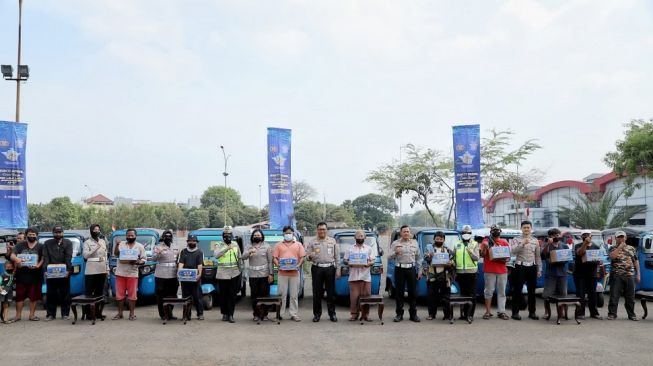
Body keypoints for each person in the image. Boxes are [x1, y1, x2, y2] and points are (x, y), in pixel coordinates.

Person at [306, 222, 340, 322]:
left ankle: (332, 314)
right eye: (320, 229)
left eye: (324, 229)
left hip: (330, 268)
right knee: (317, 293)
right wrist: (310, 256)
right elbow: (307, 256)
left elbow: (337, 257)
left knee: (331, 293)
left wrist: (338, 269)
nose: (322, 231)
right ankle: (317, 314)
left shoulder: (333, 241)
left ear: (326, 230)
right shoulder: (312, 242)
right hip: (317, 268)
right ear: (317, 230)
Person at [389, 225, 422, 322]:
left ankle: (413, 314)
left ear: (410, 232)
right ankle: (399, 314)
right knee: (399, 292)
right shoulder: (395, 243)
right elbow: (389, 256)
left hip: (411, 269)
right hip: (400, 269)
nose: (406, 233)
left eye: (408, 231)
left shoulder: (415, 243)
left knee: (413, 293)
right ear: (401, 233)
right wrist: (395, 252)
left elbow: (419, 258)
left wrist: (419, 270)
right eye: (404, 232)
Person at [272, 226, 305, 322]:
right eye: (286, 233)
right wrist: (279, 266)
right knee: (281, 295)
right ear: (283, 234)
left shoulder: (298, 245)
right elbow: (274, 258)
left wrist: (298, 265)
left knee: (294, 295)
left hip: (294, 273)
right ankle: (280, 314)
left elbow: (302, 257)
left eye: (290, 233)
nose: (288, 234)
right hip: (282, 273)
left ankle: (293, 314)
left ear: (293, 234)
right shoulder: (278, 245)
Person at [9, 227, 43, 322]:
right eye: (30, 234)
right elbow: (12, 255)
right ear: (26, 235)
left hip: (35, 275)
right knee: (19, 296)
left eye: (33, 234)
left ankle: (32, 315)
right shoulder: (20, 245)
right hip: (21, 275)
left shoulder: (41, 246)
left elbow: (43, 258)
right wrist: (17, 260)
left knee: (34, 297)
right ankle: (18, 316)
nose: (32, 236)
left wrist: (38, 266)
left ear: (36, 235)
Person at [510, 220, 541, 320]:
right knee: (517, 290)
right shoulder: (516, 239)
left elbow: (538, 256)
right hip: (520, 267)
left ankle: (532, 312)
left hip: (532, 267)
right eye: (524, 227)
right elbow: (513, 252)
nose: (526, 229)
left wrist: (539, 269)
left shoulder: (535, 241)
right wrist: (522, 243)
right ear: (521, 229)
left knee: (532, 291)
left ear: (531, 229)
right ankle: (515, 313)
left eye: (528, 227)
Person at [112, 228, 146, 320]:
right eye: (128, 235)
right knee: (119, 295)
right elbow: (116, 254)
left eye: (132, 235)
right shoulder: (121, 244)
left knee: (132, 295)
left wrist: (137, 262)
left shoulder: (140, 246)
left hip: (132, 273)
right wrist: (117, 244)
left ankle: (132, 314)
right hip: (120, 272)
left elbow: (143, 259)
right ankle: (120, 313)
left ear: (135, 236)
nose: (130, 237)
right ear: (126, 236)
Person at [42, 226, 73, 321]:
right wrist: (45, 270)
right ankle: (51, 314)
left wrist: (68, 270)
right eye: (56, 232)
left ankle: (65, 314)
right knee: (51, 294)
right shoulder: (47, 243)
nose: (58, 234)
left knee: (65, 294)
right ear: (53, 233)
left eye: (60, 232)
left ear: (63, 233)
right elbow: (45, 257)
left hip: (64, 273)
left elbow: (68, 257)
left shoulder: (68, 242)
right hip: (51, 273)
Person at [241, 229, 273, 322]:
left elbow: (270, 261)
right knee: (254, 296)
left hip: (264, 274)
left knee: (265, 295)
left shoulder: (267, 246)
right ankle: (256, 314)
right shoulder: (248, 246)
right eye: (255, 235)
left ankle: (265, 314)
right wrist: (249, 252)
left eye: (258, 235)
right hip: (253, 275)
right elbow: (243, 257)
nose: (257, 237)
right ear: (252, 237)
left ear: (262, 236)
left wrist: (271, 274)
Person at [343, 230, 375, 321]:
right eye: (358, 236)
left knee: (366, 297)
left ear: (365, 237)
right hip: (353, 277)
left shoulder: (368, 248)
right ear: (355, 237)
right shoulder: (350, 248)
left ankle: (365, 315)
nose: (360, 237)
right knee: (354, 297)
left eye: (362, 236)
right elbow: (345, 260)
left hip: (365, 277)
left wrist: (368, 264)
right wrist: (349, 263)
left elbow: (372, 260)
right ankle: (354, 314)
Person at [479, 225, 510, 320]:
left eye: (497, 230)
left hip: (502, 270)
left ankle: (502, 311)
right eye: (493, 230)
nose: (495, 231)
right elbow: (482, 255)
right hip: (489, 270)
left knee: (502, 292)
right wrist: (484, 247)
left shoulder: (504, 242)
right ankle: (488, 312)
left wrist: (502, 258)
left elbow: (508, 257)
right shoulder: (486, 241)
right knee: (488, 291)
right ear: (490, 232)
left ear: (500, 231)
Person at [607, 230, 640, 321]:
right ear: (615, 238)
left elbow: (636, 261)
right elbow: (612, 257)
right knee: (614, 296)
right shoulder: (612, 248)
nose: (621, 238)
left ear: (626, 238)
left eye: (622, 237)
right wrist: (620, 247)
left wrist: (638, 274)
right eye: (619, 237)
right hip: (616, 275)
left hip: (630, 275)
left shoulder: (632, 248)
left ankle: (631, 315)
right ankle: (612, 314)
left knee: (630, 297)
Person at [540, 227, 570, 320]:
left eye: (557, 235)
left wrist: (559, 260)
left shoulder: (564, 246)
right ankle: (546, 313)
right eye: (553, 235)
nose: (556, 237)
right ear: (550, 237)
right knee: (547, 295)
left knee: (563, 294)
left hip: (562, 273)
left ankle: (564, 313)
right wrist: (547, 244)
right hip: (551, 274)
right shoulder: (547, 245)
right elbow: (543, 256)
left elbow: (567, 258)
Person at [424, 231, 454, 320]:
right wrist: (431, 257)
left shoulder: (447, 249)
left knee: (446, 296)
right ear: (434, 239)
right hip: (432, 276)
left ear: (444, 240)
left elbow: (452, 261)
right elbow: (425, 259)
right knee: (431, 296)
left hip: (445, 276)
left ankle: (447, 315)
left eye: (441, 239)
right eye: (437, 239)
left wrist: (450, 263)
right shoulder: (429, 248)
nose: (439, 240)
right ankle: (431, 314)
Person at [214, 226, 242, 323]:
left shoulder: (235, 244)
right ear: (223, 236)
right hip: (222, 274)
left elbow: (239, 257)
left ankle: (231, 314)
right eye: (225, 235)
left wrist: (241, 270)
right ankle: (224, 314)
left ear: (232, 235)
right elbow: (216, 255)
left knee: (232, 295)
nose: (227, 236)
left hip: (234, 273)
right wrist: (226, 248)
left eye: (229, 235)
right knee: (223, 295)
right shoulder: (218, 244)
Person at [573, 230, 603, 319]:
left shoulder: (596, 246)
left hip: (592, 274)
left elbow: (599, 259)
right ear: (581, 237)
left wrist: (599, 261)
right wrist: (585, 244)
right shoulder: (578, 246)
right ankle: (580, 313)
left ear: (591, 236)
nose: (585, 236)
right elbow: (580, 253)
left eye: (587, 235)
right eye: (584, 235)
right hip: (579, 274)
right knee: (580, 294)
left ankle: (594, 313)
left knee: (593, 294)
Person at [82, 224, 109, 320]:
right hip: (91, 270)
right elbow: (85, 256)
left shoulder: (102, 241)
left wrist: (107, 268)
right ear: (91, 231)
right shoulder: (87, 242)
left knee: (99, 292)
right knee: (89, 292)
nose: (96, 231)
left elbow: (105, 255)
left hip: (102, 268)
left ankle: (97, 312)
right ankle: (88, 313)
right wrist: (95, 248)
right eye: (94, 229)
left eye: (98, 229)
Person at [453, 225, 479, 322]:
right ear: (461, 234)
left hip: (471, 272)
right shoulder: (457, 244)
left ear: (471, 234)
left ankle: (470, 315)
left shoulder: (475, 244)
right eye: (464, 233)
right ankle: (463, 314)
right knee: (463, 294)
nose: (466, 234)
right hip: (460, 273)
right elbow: (454, 257)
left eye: (468, 233)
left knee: (471, 294)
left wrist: (471, 252)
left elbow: (477, 258)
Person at [152, 230, 179, 320]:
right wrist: (159, 252)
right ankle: (163, 314)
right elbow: (153, 258)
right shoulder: (158, 247)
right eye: (166, 236)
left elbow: (178, 260)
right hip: (161, 275)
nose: (168, 238)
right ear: (163, 237)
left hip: (173, 275)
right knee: (160, 295)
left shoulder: (175, 247)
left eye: (170, 236)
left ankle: (170, 312)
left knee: (172, 294)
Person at [178, 234, 204, 320]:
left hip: (195, 278)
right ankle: (186, 315)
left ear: (196, 242)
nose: (192, 242)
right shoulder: (183, 252)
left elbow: (200, 265)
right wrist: (179, 272)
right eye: (190, 241)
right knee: (185, 297)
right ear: (187, 242)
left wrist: (199, 274)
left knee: (197, 297)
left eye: (193, 241)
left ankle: (200, 314)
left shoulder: (199, 252)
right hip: (185, 278)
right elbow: (181, 264)